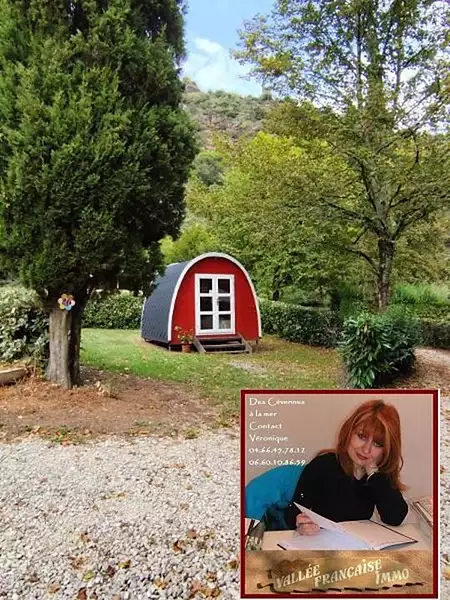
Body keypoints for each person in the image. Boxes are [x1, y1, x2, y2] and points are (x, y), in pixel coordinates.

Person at [284, 399, 409, 534]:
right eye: (361, 436)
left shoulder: (377, 476)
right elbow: (293, 511)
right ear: (349, 432)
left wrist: (374, 474)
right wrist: (300, 523)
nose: (366, 450)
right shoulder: (322, 465)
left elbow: (395, 518)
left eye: (378, 444)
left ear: (387, 449)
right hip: (320, 540)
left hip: (356, 542)